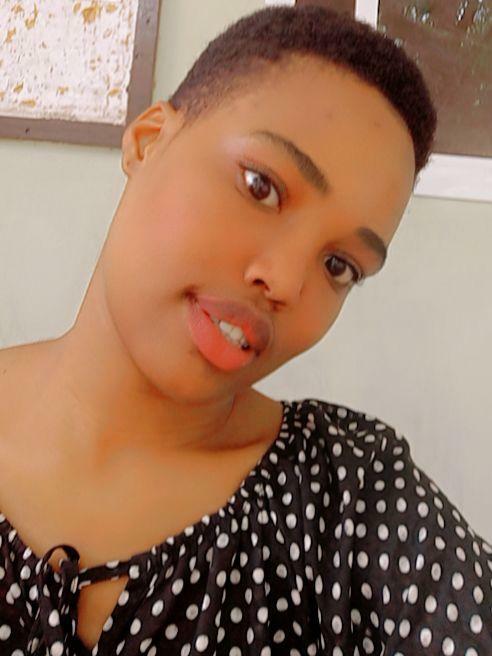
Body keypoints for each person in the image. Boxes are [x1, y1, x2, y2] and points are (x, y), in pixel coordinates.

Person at [0, 4, 490, 655]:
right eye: (261, 186)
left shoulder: (352, 495)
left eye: (338, 266)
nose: (286, 282)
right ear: (148, 141)